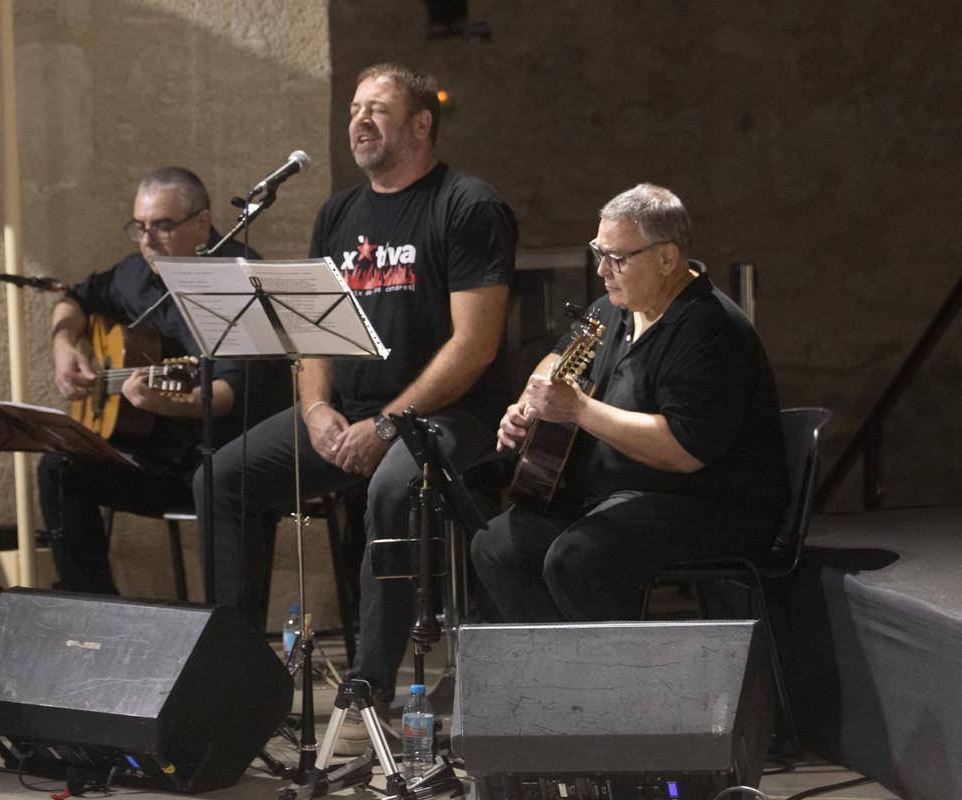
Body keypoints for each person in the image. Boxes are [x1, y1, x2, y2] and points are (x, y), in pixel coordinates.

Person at [194, 62, 518, 754]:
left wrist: (387, 424)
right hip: (350, 414)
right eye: (353, 110)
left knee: (392, 489)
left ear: (421, 124)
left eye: (377, 109)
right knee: (221, 478)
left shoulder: (467, 205)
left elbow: (474, 347)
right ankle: (234, 677)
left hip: (449, 417)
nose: (359, 121)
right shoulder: (338, 214)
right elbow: (312, 337)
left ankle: (370, 688)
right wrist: (316, 410)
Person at [471, 183, 788, 624]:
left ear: (667, 258)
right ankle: (564, 664)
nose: (602, 269)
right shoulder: (611, 310)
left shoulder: (709, 330)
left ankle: (617, 668)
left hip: (707, 506)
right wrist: (531, 404)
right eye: (598, 252)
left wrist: (578, 409)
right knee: (497, 545)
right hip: (614, 497)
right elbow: (557, 359)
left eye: (617, 258)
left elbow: (683, 450)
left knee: (578, 559)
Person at [39, 167, 260, 594]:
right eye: (139, 227)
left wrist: (168, 403)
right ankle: (93, 611)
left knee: (216, 480)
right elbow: (75, 298)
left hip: (217, 460)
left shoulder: (236, 279)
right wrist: (63, 344)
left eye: (162, 226)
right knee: (59, 468)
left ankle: (222, 627)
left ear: (202, 223)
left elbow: (229, 393)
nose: (147, 240)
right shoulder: (135, 275)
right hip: (155, 457)